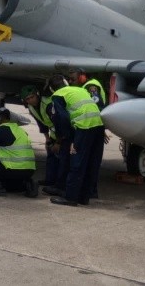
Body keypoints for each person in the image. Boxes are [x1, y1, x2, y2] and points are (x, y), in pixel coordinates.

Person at [48, 74, 106, 207]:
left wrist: (67, 138)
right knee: (92, 162)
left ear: (52, 89)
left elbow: (61, 117)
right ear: (65, 82)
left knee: (77, 162)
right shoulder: (80, 89)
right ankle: (84, 197)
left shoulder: (57, 95)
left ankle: (71, 198)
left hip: (84, 126)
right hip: (98, 126)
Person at [67, 67, 109, 199]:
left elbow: (97, 106)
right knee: (92, 160)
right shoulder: (86, 86)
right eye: (69, 79)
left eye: (73, 79)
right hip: (96, 126)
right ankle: (90, 191)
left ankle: (89, 191)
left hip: (93, 126)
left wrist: (98, 129)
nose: (71, 81)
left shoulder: (91, 86)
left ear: (82, 76)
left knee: (90, 161)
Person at [0, 107, 38, 197]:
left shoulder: (1, 130)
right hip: (29, 171)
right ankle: (27, 184)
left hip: (13, 170)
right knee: (10, 188)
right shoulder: (19, 130)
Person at [21, 85, 60, 188]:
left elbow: (60, 124)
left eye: (32, 97)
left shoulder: (48, 104)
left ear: (37, 95)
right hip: (54, 133)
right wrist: (47, 139)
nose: (30, 100)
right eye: (27, 99)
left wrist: (58, 143)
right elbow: (41, 123)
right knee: (51, 155)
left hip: (63, 133)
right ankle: (50, 180)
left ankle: (59, 185)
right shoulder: (31, 107)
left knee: (63, 159)